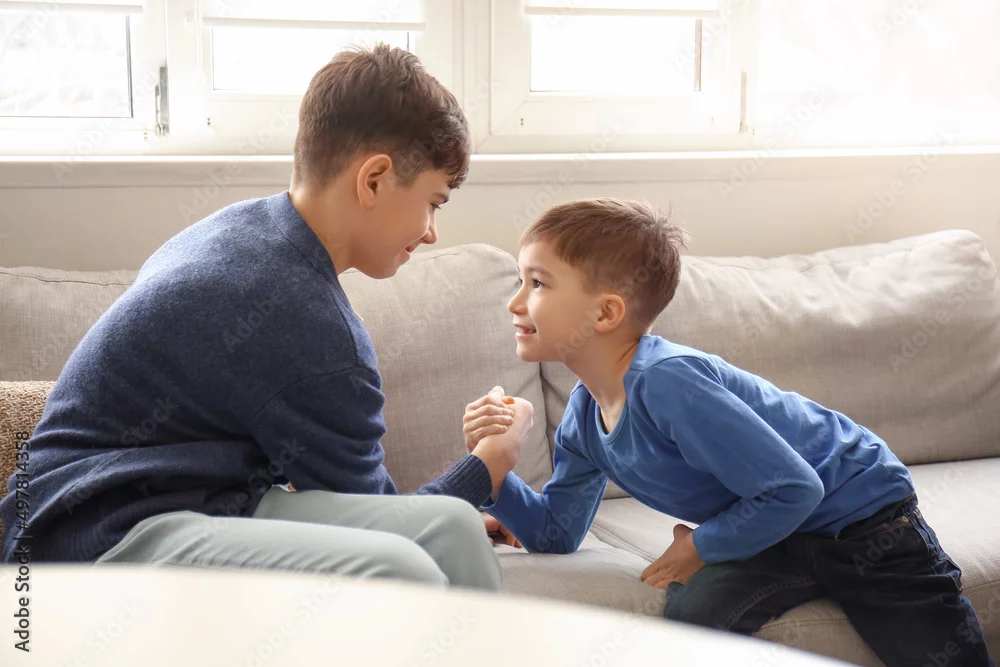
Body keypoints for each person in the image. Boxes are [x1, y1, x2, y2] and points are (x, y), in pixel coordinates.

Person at [0, 44, 532, 591]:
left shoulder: (245, 229)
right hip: (88, 536)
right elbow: (381, 521)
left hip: (196, 501)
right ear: (373, 179)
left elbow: (391, 515)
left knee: (451, 529)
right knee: (399, 570)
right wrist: (490, 464)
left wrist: (453, 507)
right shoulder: (308, 324)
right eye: (433, 203)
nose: (432, 232)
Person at [462, 198, 993, 666]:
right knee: (691, 613)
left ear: (606, 312)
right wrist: (493, 468)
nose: (514, 302)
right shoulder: (583, 417)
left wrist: (700, 545)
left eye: (537, 283)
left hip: (863, 518)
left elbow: (796, 487)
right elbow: (557, 534)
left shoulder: (667, 381)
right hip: (773, 528)